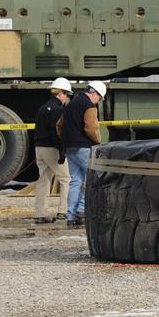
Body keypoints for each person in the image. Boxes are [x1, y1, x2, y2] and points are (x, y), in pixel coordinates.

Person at [57, 80, 107, 227]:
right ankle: (82, 211)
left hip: (70, 148)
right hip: (84, 148)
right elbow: (91, 129)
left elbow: (59, 126)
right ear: (95, 93)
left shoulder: (70, 104)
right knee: (92, 179)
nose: (98, 101)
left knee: (75, 182)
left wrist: (68, 138)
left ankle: (71, 217)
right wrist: (98, 142)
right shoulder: (89, 106)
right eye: (99, 98)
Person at [32, 77, 72, 224]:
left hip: (39, 148)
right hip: (51, 149)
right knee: (66, 179)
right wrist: (61, 151)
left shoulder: (42, 108)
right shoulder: (58, 109)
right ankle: (63, 211)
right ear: (60, 94)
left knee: (43, 181)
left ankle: (40, 214)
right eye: (67, 94)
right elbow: (56, 132)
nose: (67, 98)